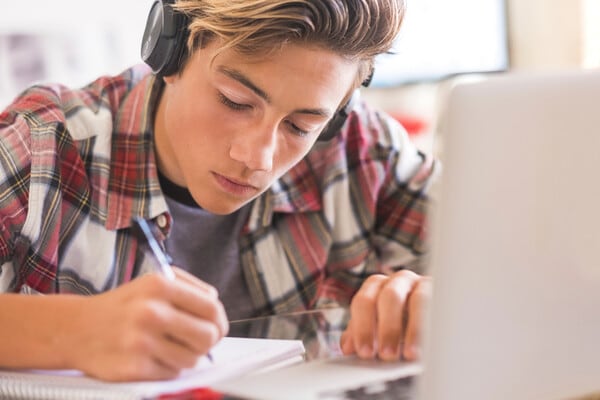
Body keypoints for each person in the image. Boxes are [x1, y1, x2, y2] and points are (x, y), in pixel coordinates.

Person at [0, 0, 436, 382]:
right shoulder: (41, 148)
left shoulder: (365, 151)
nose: (258, 158)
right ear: (169, 52)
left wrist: (436, 299)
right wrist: (74, 331)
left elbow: (497, 273)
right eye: (234, 101)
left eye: (301, 127)